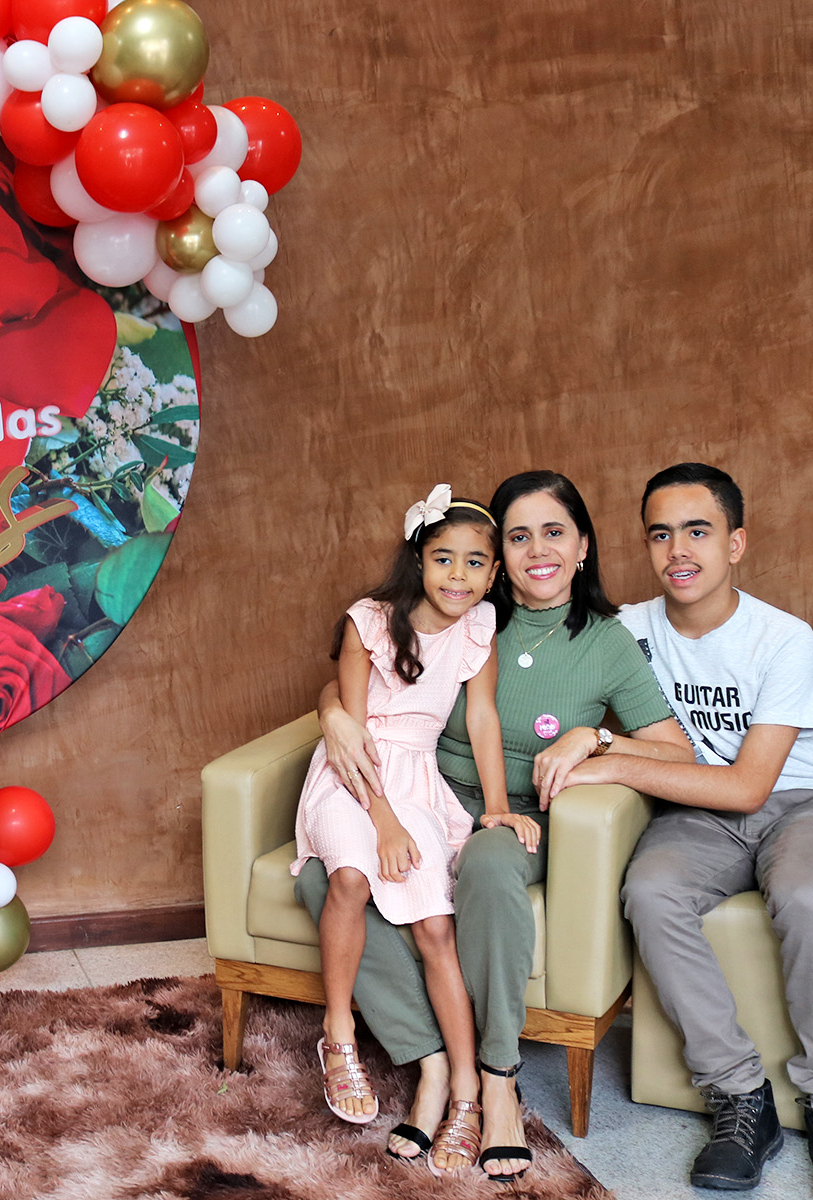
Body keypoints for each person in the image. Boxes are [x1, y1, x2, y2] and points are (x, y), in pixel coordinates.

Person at [300, 470, 692, 1181]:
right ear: (497, 556)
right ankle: (431, 1065)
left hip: (520, 815)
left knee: (484, 858)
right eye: (518, 537)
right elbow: (377, 665)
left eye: (555, 533)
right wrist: (332, 711)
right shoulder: (470, 609)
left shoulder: (607, 642)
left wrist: (595, 740)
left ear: (583, 547)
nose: (537, 551)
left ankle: (498, 1080)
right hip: (416, 790)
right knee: (325, 879)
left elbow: (675, 753)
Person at [553, 464, 813, 1200]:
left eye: (697, 531)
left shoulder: (782, 637)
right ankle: (740, 1097)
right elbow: (519, 660)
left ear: (735, 544)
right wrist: (589, 737)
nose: (678, 550)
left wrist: (610, 755)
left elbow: (749, 785)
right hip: (698, 814)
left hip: (803, 802)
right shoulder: (626, 630)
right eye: (661, 534)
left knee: (804, 896)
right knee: (650, 891)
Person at [291, 484, 516, 1173]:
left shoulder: (478, 630)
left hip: (416, 781)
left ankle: (466, 1093)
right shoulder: (370, 621)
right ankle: (338, 1035)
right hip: (352, 775)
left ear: (493, 574)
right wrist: (383, 821)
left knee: (436, 929)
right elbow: (352, 734)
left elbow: (481, 718)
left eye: (475, 563)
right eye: (444, 558)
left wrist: (498, 806)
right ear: (419, 560)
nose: (458, 576)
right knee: (351, 878)